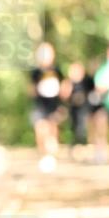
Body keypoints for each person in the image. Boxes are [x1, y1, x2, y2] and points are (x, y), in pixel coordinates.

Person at [29, 42, 64, 173]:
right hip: (40, 105)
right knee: (40, 129)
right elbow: (31, 89)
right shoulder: (36, 72)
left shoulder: (57, 70)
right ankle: (43, 155)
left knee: (53, 130)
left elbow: (64, 86)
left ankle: (51, 156)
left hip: (54, 104)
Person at [94, 43, 109, 160]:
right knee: (101, 125)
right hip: (105, 104)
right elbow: (98, 86)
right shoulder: (104, 68)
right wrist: (108, 87)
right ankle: (101, 152)